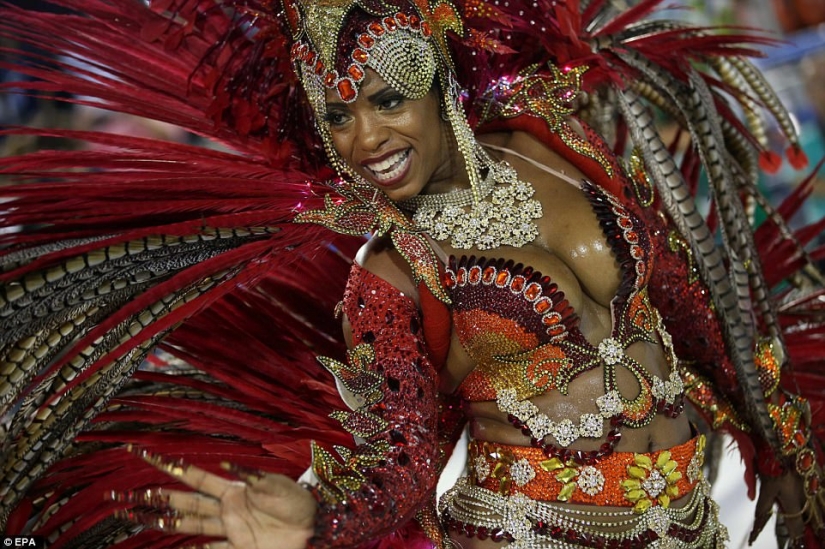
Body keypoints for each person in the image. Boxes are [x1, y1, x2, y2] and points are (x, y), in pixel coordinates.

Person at [0, 1, 823, 548]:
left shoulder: (557, 141)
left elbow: (683, 301)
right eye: (337, 114)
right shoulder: (389, 274)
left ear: (437, 84)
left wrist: (782, 453)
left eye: (386, 100)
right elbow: (402, 464)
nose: (364, 138)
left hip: (689, 518)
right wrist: (316, 521)